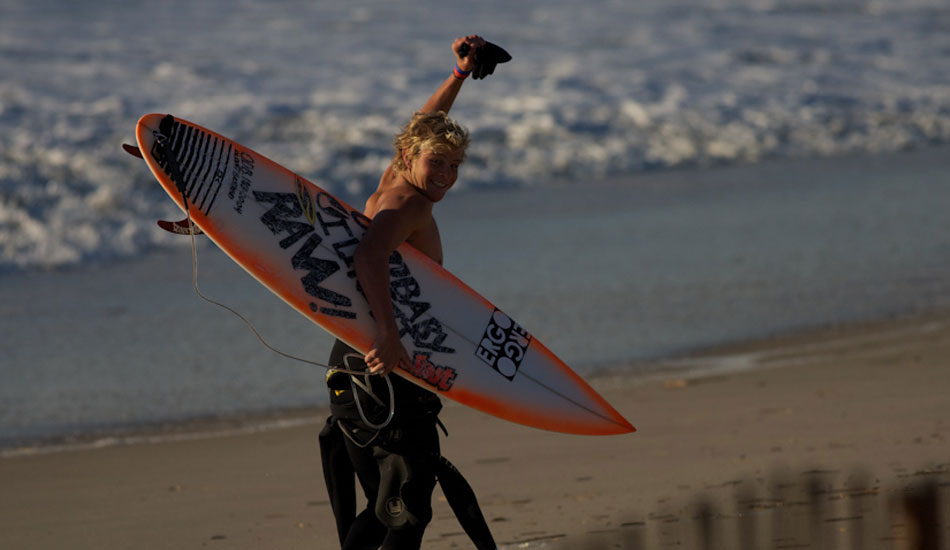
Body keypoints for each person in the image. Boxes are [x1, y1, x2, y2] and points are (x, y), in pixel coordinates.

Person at [318, 35, 509, 550]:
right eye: (438, 163)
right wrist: (388, 334)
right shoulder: (409, 206)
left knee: (385, 508)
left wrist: (459, 74)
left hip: (350, 364)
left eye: (455, 166)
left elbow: (424, 126)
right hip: (386, 366)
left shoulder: (395, 177)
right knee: (406, 513)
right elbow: (369, 256)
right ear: (411, 156)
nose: (446, 175)